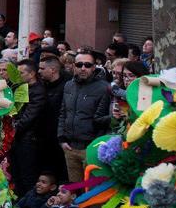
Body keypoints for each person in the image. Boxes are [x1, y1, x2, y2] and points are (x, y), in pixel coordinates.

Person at [58, 50, 111, 183]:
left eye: (87, 65)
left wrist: (96, 146)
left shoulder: (104, 88)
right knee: (75, 191)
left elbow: (104, 119)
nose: (83, 68)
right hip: (70, 147)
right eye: (79, 64)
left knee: (92, 191)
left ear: (94, 67)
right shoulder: (69, 85)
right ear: (74, 66)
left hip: (91, 148)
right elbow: (63, 113)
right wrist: (61, 139)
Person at [9, 59, 50, 193]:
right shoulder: (20, 88)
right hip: (19, 138)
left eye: (21, 73)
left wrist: (12, 129)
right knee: (17, 174)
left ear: (32, 74)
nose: (18, 76)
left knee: (28, 176)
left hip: (29, 139)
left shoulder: (38, 91)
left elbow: (29, 117)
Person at [38, 55, 70, 179]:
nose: (39, 71)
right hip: (43, 137)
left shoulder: (66, 86)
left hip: (59, 137)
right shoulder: (42, 85)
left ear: (53, 70)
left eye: (42, 68)